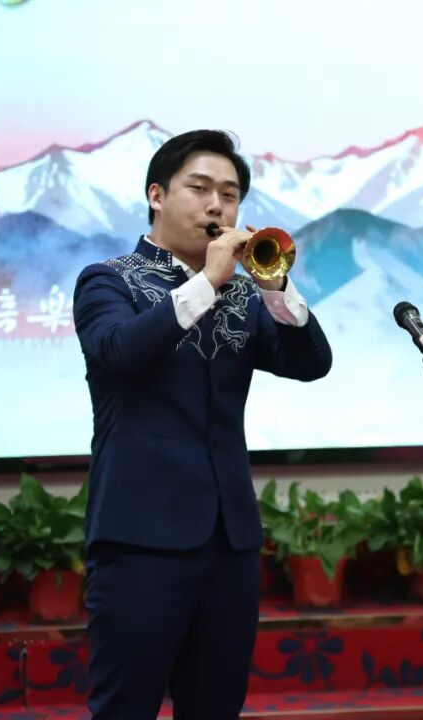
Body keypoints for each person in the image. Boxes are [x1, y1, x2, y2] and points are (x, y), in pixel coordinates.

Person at [72, 129, 332, 719]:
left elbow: (311, 364)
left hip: (229, 542)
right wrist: (207, 282)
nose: (217, 206)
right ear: (156, 195)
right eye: (200, 188)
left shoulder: (245, 297)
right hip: (138, 538)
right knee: (124, 708)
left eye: (230, 195)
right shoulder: (108, 280)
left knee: (216, 707)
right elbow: (118, 352)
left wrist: (276, 288)